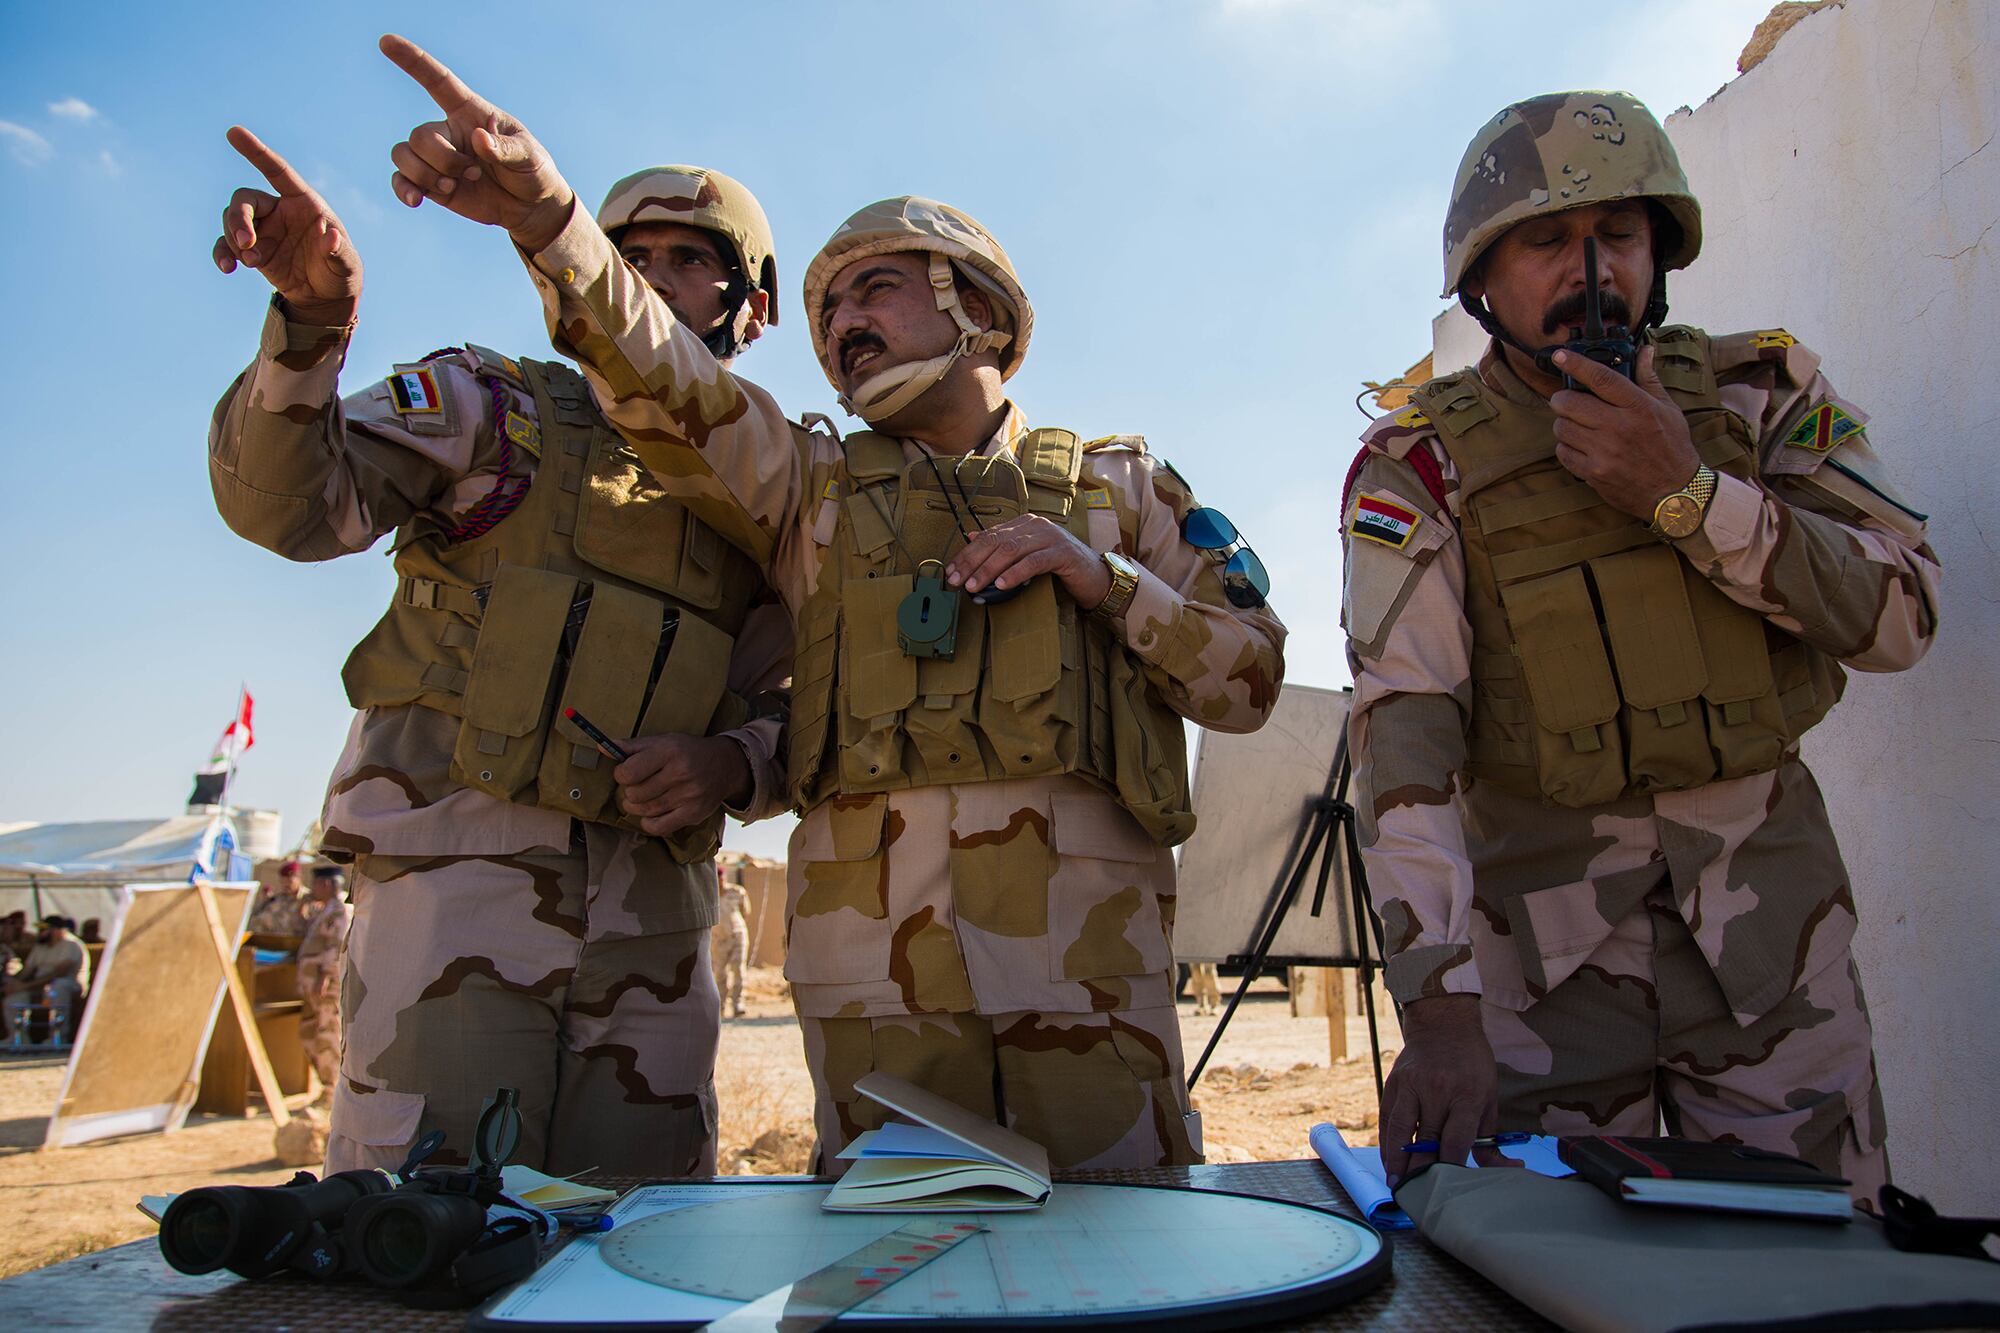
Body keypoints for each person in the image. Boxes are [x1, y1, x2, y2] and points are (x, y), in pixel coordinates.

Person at [375, 36, 1287, 1170]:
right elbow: (666, 375)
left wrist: (1099, 578)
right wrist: (551, 222)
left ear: (982, 313)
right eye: (827, 308)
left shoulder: (1124, 490)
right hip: (875, 990)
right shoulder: (802, 488)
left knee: (1123, 1255)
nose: (843, 322)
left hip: (1087, 976)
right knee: (893, 1264)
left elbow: (1249, 684)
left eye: (878, 288)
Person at [1341, 91, 1940, 1199]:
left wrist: (1689, 494)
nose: (1589, 269)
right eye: (1545, 241)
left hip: (1773, 951)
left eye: (1616, 236)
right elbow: (1403, 727)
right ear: (1479, 277)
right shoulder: (1418, 465)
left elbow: (1901, 614)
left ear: (1658, 254)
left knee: (1817, 1279)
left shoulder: (1761, 399)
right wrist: (1436, 1002)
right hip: (1538, 975)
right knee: (1537, 1279)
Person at [208, 121, 791, 1177]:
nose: (649, 280)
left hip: (654, 927)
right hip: (452, 898)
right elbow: (291, 508)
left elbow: (805, 700)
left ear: (747, 309)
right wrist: (309, 321)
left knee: (643, 1242)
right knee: (428, 1233)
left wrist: (734, 761)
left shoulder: (768, 487)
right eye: (627, 257)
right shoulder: (491, 406)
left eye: (689, 260)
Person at [296, 865, 350, 1099]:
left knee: (328, 1033)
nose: (313, 889)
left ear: (326, 884)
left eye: (316, 884)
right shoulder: (326, 910)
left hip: (325, 985)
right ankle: (326, 1084)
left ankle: (332, 1090)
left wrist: (326, 977)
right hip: (313, 985)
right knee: (309, 1032)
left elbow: (337, 948)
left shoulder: (340, 911)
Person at [3, 917, 90, 1042]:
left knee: (58, 987)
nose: (40, 932)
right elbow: (27, 971)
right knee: (15, 995)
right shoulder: (40, 946)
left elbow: (59, 973)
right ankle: (18, 1037)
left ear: (57, 931)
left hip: (70, 986)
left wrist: (26, 986)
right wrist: (15, 984)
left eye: (44, 929)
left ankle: (58, 1036)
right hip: (40, 987)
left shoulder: (71, 945)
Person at [714, 869, 751, 1019]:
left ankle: (738, 1003)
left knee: (738, 968)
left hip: (737, 936)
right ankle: (720, 1005)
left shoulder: (737, 892)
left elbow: (746, 912)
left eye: (721, 878)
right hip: (717, 939)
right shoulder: (709, 894)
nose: (720, 881)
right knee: (720, 973)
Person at [248, 860, 310, 936]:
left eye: (289, 881)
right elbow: (260, 920)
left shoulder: (309, 898)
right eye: (283, 882)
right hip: (277, 942)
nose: (286, 885)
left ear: (299, 878)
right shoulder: (278, 899)